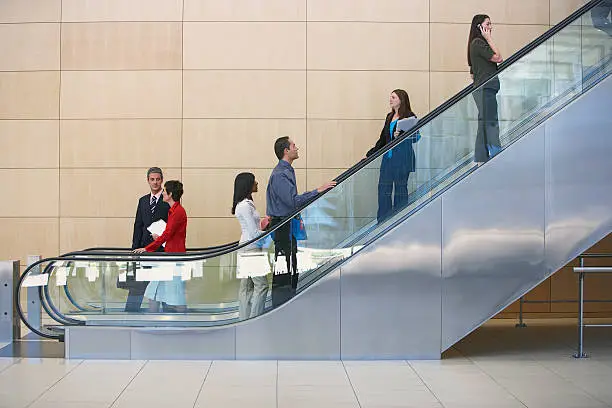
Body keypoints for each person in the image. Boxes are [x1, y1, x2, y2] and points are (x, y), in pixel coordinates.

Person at [266, 137, 336, 305]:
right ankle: (281, 308)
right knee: (285, 270)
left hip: (287, 226)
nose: (297, 148)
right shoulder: (281, 174)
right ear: (286, 151)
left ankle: (286, 305)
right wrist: (317, 191)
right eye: (293, 145)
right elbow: (293, 202)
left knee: (291, 267)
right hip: (283, 226)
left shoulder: (286, 171)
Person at [366, 89, 420, 223]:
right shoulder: (389, 117)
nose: (390, 100)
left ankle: (399, 220)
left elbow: (416, 138)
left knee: (400, 190)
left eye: (393, 97)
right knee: (383, 190)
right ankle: (383, 221)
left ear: (401, 100)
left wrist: (401, 135)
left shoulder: (410, 116)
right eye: (390, 97)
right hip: (388, 160)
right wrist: (370, 154)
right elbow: (383, 139)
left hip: (402, 160)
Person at [134, 180, 187, 313]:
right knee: (153, 292)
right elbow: (170, 235)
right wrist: (160, 239)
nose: (162, 193)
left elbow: (168, 234)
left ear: (170, 194)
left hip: (173, 259)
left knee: (176, 296)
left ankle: (184, 323)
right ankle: (154, 321)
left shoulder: (178, 212)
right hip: (168, 257)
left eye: (164, 191)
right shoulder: (173, 211)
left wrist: (147, 248)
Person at [123, 167, 170, 312]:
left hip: (161, 250)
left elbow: (172, 226)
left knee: (161, 286)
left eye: (158, 179)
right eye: (152, 179)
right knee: (138, 285)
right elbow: (138, 225)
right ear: (148, 181)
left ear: (162, 180)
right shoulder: (143, 201)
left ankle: (168, 316)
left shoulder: (168, 199)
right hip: (143, 250)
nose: (155, 182)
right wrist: (133, 250)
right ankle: (130, 314)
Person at [232, 172, 270, 319]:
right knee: (261, 286)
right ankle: (255, 319)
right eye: (254, 181)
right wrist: (269, 232)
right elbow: (253, 233)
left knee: (246, 287)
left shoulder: (245, 205)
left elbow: (252, 228)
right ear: (247, 185)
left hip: (247, 247)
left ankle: (244, 319)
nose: (257, 183)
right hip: (251, 248)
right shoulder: (244, 206)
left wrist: (263, 225)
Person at [468, 14, 504, 163]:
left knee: (484, 122)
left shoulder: (476, 44)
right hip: (485, 88)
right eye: (487, 24)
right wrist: (488, 38)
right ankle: (495, 151)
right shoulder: (478, 43)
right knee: (490, 121)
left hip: (484, 88)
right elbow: (498, 58)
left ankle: (482, 157)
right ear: (480, 27)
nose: (490, 27)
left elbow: (472, 73)